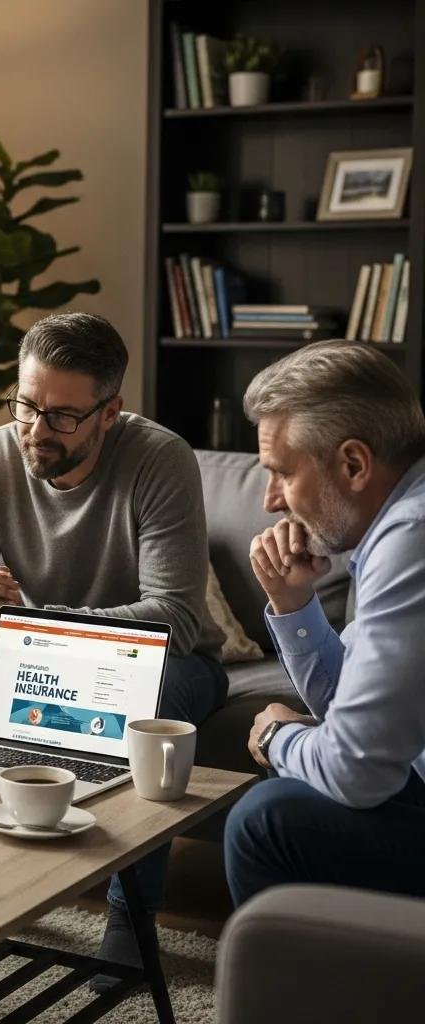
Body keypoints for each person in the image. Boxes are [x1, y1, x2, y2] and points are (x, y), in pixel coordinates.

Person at [0, 311, 227, 987]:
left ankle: (132, 913)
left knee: (147, 707)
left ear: (109, 412)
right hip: (32, 656)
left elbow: (177, 618)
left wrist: (23, 633)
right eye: (26, 406)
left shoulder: (159, 458)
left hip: (163, 666)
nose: (37, 431)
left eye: (64, 417)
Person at [225, 340, 425, 906]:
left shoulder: (412, 539)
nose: (269, 502)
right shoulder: (398, 523)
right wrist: (293, 604)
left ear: (354, 464)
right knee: (295, 775)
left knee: (265, 820)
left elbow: (355, 771)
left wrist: (275, 735)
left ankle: (301, 995)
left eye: (281, 473)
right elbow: (358, 720)